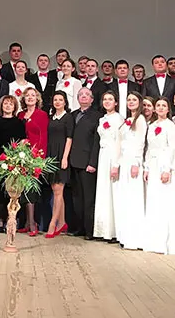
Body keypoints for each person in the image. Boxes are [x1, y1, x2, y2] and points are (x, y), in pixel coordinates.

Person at [143, 98, 175, 255]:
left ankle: (165, 241)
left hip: (164, 165)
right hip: (153, 164)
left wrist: (167, 169)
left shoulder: (170, 126)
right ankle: (153, 239)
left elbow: (172, 148)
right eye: (158, 105)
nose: (160, 108)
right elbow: (149, 148)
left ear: (168, 109)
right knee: (154, 200)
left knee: (165, 201)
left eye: (163, 105)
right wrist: (146, 167)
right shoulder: (151, 126)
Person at [116, 92, 148, 251]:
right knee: (125, 198)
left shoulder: (140, 120)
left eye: (134, 99)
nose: (131, 102)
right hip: (124, 161)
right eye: (129, 99)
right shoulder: (127, 119)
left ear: (140, 102)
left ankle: (135, 237)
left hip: (133, 162)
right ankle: (125, 235)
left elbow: (140, 142)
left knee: (134, 198)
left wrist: (136, 162)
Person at [69, 88, 101, 239]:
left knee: (88, 198)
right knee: (77, 198)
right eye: (81, 94)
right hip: (73, 161)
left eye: (87, 95)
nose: (83, 97)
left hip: (87, 163)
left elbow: (96, 142)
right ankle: (79, 227)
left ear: (92, 99)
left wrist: (93, 162)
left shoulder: (97, 116)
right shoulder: (73, 115)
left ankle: (89, 230)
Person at [0, 95, 26, 233]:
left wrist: (17, 158)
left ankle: (10, 220)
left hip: (14, 161)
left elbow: (22, 141)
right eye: (5, 103)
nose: (7, 106)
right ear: (1, 106)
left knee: (12, 192)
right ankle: (0, 220)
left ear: (15, 107)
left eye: (10, 104)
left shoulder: (19, 123)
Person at [18, 87, 48, 236]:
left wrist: (38, 157)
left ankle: (32, 223)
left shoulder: (41, 115)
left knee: (30, 189)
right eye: (27, 95)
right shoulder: (20, 115)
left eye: (33, 95)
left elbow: (43, 136)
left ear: (37, 99)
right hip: (20, 156)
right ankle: (25, 222)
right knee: (22, 189)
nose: (30, 97)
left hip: (35, 156)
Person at [93, 91, 123, 241]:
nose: (107, 101)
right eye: (105, 99)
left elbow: (119, 141)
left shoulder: (119, 119)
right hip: (103, 155)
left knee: (113, 191)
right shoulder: (102, 119)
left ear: (116, 102)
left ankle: (114, 231)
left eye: (110, 99)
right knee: (103, 190)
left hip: (113, 155)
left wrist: (116, 164)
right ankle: (103, 230)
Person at [45, 92, 74, 238]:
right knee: (55, 190)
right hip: (51, 156)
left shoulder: (68, 118)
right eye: (55, 99)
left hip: (61, 155)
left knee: (58, 191)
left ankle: (53, 224)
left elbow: (69, 138)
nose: (57, 102)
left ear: (65, 102)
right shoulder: (50, 118)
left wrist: (65, 158)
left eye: (60, 100)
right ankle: (62, 222)